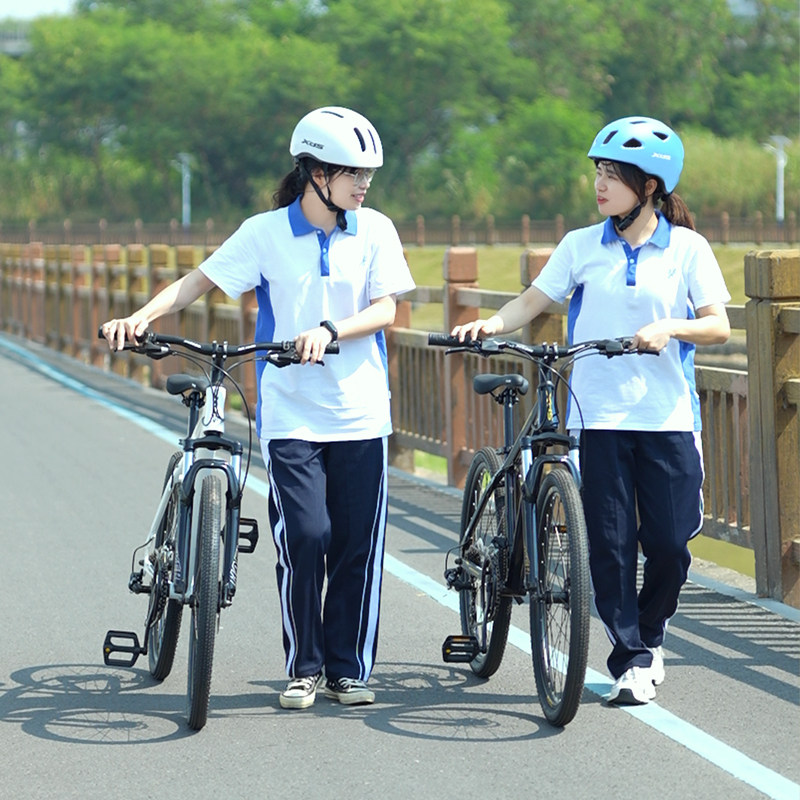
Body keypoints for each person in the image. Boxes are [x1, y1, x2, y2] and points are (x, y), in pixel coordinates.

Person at [102, 106, 415, 710]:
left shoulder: (375, 229)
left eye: (367, 175)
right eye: (351, 172)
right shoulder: (265, 232)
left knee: (356, 544)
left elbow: (385, 313)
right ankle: (305, 665)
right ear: (315, 173)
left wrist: (329, 329)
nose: (362, 184)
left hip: (361, 412)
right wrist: (142, 316)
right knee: (305, 534)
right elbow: (198, 282)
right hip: (289, 410)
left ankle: (348, 670)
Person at [451, 116, 731, 705]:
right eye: (598, 172)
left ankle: (649, 637)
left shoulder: (688, 248)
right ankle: (629, 656)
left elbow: (717, 326)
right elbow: (533, 300)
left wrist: (669, 327)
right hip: (597, 417)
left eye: (614, 175)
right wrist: (491, 323)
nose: (600, 185)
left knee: (672, 544)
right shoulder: (582, 244)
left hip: (667, 418)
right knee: (606, 544)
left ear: (648, 186)